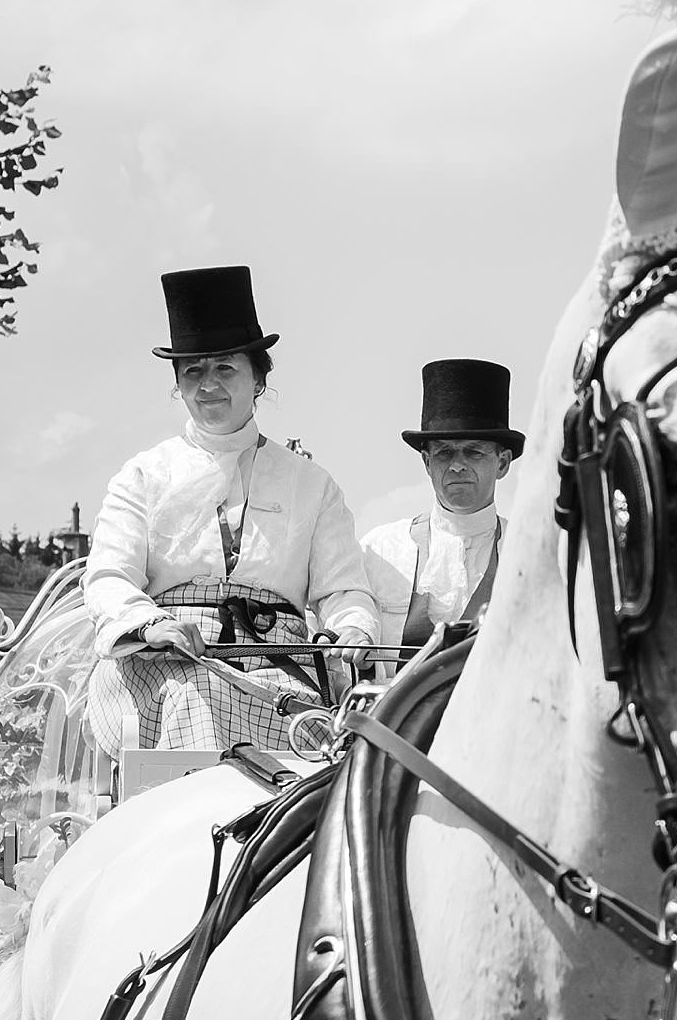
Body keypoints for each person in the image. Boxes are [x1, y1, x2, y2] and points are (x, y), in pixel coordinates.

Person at [83, 266, 377, 762]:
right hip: (162, 669)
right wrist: (149, 624)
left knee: (328, 740)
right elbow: (109, 576)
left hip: (280, 672)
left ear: (258, 376)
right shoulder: (143, 475)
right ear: (177, 382)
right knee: (197, 695)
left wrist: (353, 628)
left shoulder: (312, 484)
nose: (208, 386)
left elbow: (343, 590)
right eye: (192, 372)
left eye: (224, 368)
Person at [359, 360, 520, 653]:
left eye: (473, 452)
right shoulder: (378, 552)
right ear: (427, 463)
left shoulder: (524, 554)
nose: (457, 465)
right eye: (444, 453)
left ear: (503, 462)